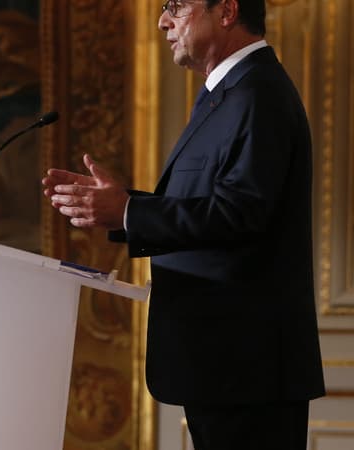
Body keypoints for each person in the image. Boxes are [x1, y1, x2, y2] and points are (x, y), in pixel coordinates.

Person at [42, 1, 325, 448]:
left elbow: (240, 213)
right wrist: (122, 204)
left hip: (247, 370)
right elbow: (215, 206)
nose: (163, 20)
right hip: (224, 365)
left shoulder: (258, 94)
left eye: (177, 5)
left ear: (227, 10)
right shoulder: (228, 91)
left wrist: (129, 213)